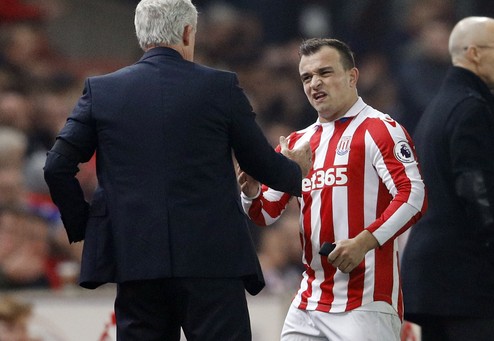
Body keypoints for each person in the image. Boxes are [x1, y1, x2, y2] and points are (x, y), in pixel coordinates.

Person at [43, 0, 311, 340]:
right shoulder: (220, 87)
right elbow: (261, 164)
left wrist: (86, 226)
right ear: (187, 32)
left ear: (142, 36)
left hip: (135, 261)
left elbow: (56, 166)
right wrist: (297, 171)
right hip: (212, 262)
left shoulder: (103, 91)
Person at [238, 38, 427, 341]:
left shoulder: (380, 128)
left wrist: (364, 242)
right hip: (309, 300)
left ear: (352, 77)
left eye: (325, 73)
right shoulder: (298, 142)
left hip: (365, 302)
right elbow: (265, 213)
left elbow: (413, 196)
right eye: (307, 77)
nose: (315, 83)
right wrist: (250, 191)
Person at [400, 16, 494, 341]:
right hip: (465, 283)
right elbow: (475, 190)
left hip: (434, 280)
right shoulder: (471, 109)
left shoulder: (439, 107)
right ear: (475, 53)